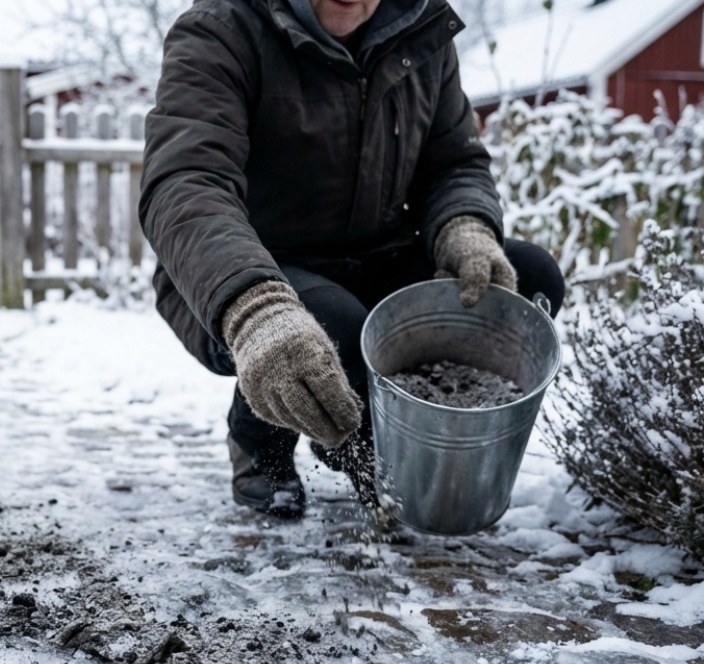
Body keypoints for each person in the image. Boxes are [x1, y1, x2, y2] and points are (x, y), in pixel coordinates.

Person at [138, 0, 565, 519]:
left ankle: (367, 435)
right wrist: (253, 308)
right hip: (252, 269)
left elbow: (454, 163)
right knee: (331, 326)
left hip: (374, 256)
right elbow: (187, 182)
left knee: (528, 277)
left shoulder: (420, 31)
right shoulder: (222, 30)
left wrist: (463, 226)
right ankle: (262, 445)